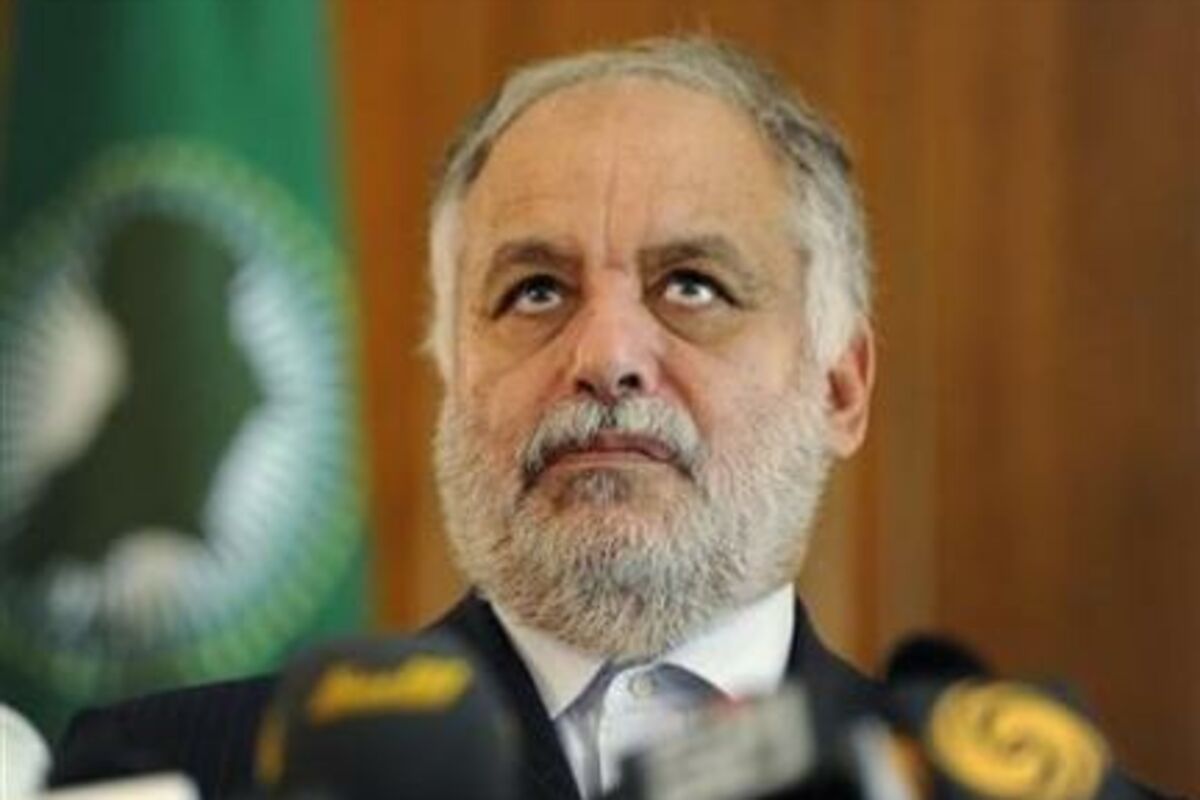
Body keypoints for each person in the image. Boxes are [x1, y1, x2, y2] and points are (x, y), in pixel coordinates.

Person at [50, 36, 1156, 800]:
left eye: (693, 286)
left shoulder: (993, 785)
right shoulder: (172, 773)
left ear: (840, 386)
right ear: (452, 373)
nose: (607, 356)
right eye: (535, 291)